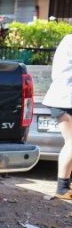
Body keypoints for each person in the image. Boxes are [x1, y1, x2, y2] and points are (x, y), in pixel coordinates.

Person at [43, 34, 72, 200]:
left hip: (62, 95)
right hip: (65, 98)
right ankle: (62, 188)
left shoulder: (67, 39)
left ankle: (64, 186)